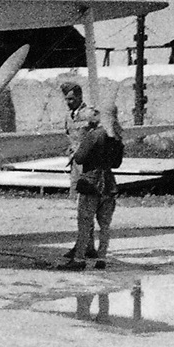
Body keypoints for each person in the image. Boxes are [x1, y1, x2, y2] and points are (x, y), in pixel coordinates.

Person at [59, 105, 121, 270]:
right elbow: (117, 163)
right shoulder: (117, 137)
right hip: (109, 184)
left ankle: (79, 259)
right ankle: (102, 258)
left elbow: (79, 159)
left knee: (85, 223)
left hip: (91, 183)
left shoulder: (93, 135)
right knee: (105, 225)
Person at [61, 82, 97, 258]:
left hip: (89, 166)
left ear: (80, 97)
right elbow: (70, 138)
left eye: (72, 99)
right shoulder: (69, 116)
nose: (68, 102)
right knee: (80, 206)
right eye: (66, 99)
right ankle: (86, 244)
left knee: (86, 206)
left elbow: (103, 134)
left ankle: (84, 246)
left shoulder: (90, 114)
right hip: (76, 166)